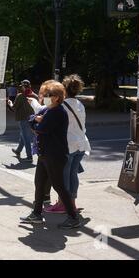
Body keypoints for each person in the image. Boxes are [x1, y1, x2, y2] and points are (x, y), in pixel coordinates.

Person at [21, 80, 81, 229]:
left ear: (56, 97)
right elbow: (31, 119)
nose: (43, 97)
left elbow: (40, 129)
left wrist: (36, 122)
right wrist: (35, 119)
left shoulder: (57, 112)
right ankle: (36, 214)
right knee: (39, 184)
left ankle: (73, 217)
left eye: (47, 94)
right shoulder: (48, 110)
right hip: (45, 154)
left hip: (54, 155)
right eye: (43, 94)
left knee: (59, 186)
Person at [45, 75, 91, 214]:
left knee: (63, 176)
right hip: (81, 144)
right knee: (73, 175)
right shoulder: (80, 104)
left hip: (67, 145)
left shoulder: (61, 105)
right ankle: (72, 203)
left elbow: (44, 109)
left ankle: (62, 204)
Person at [8, 80, 41, 162]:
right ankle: (18, 151)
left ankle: (29, 157)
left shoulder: (20, 96)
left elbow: (14, 108)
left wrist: (10, 103)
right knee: (23, 135)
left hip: (23, 119)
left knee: (26, 138)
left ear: (23, 87)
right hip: (33, 119)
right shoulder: (35, 96)